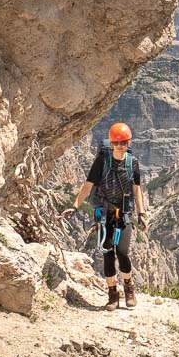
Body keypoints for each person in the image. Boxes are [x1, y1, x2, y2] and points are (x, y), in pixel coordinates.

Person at [61, 122, 148, 311]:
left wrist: (141, 213)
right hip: (105, 215)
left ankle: (129, 287)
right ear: (111, 143)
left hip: (124, 215)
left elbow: (136, 190)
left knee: (123, 252)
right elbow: (88, 185)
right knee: (108, 253)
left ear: (128, 142)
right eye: (116, 143)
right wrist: (75, 206)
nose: (120, 146)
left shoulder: (132, 163)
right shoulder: (102, 161)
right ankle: (112, 295)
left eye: (123, 142)